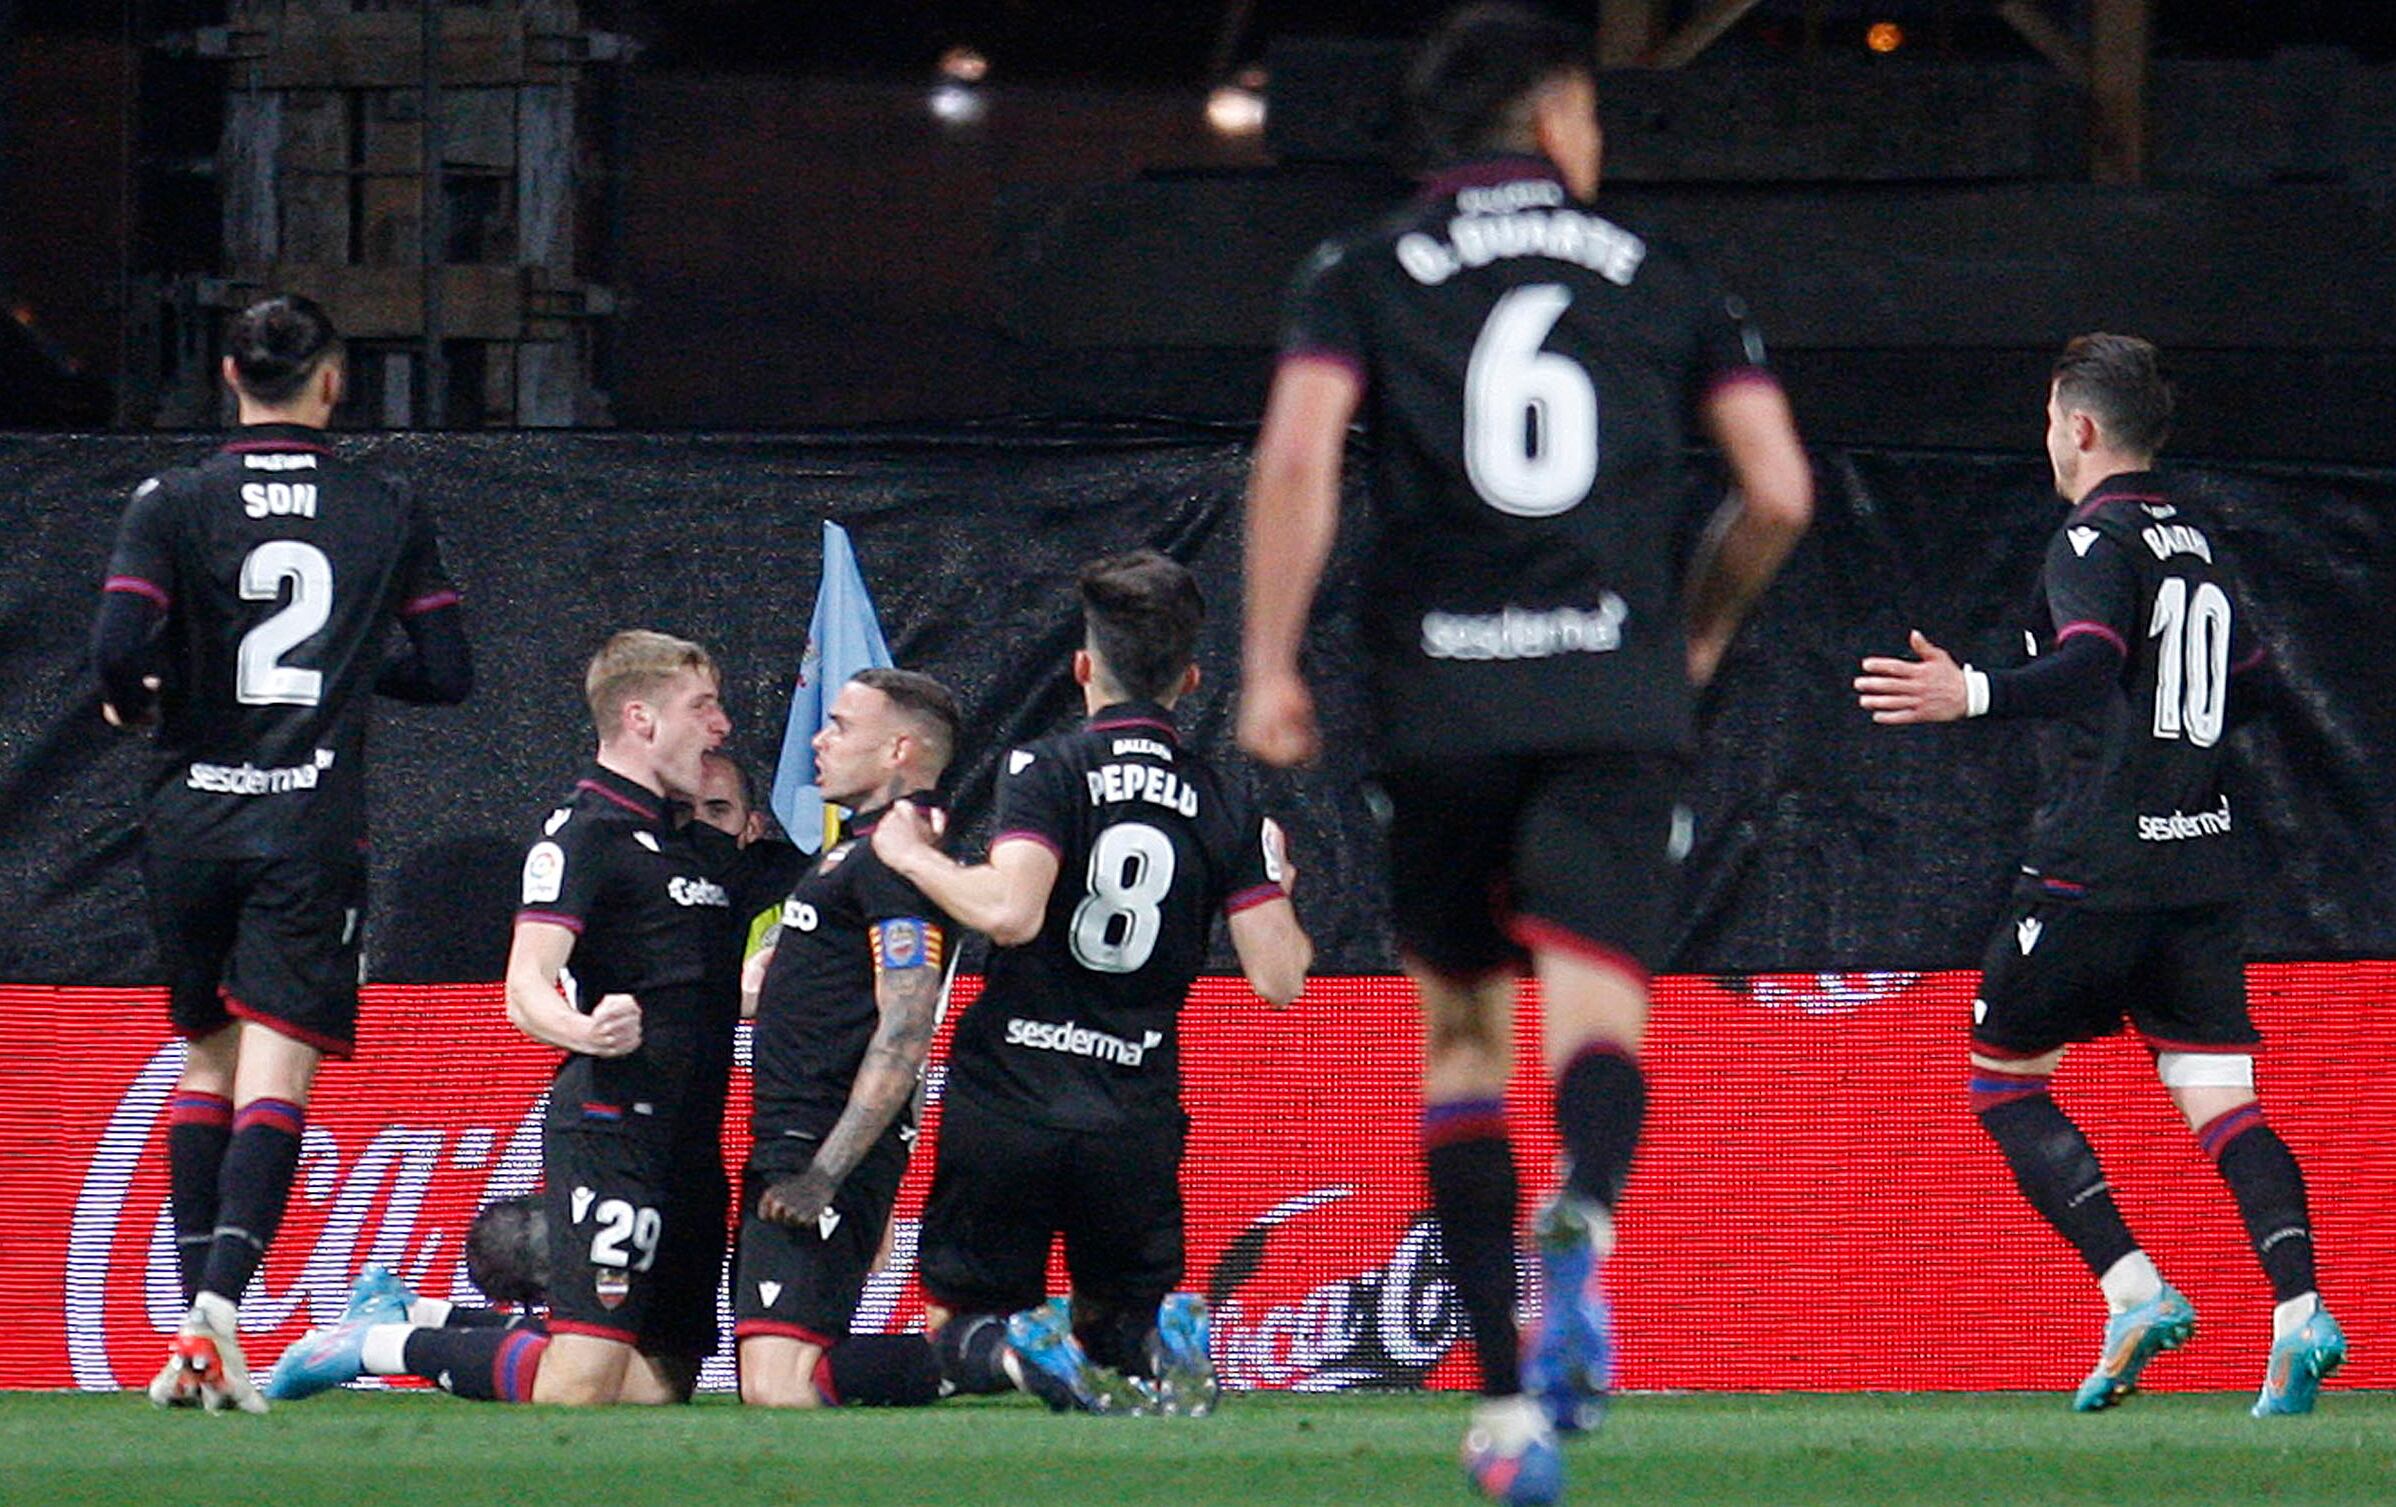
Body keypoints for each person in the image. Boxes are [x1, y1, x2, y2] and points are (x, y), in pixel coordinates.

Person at [1237, 6, 1812, 1499]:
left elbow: (1298, 457)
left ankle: (1499, 1405)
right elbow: (1778, 490)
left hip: (1442, 699)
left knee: (1463, 1043)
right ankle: (1592, 1218)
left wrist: (1267, 659)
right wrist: (1687, 638)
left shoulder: (1355, 272)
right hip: (1612, 697)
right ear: (1557, 114)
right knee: (1599, 1003)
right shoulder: (1667, 273)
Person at [1853, 333, 2345, 1417]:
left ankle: (2134, 1290)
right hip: (2199, 864)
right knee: (2220, 1099)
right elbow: (2253, 681)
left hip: (2094, 865)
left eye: (2045, 421)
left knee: (2000, 1077)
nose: (2045, 439)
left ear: (2077, 427)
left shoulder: (2091, 536)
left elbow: (2087, 662)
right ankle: (2297, 1311)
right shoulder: (2196, 539)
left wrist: (1971, 693)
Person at [93, 294, 474, 1414]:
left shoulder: (172, 500)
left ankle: (190, 1330)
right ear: (332, 382)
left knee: (206, 1063)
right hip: (305, 825)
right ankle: (216, 1316)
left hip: (190, 820)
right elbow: (448, 671)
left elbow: (118, 645)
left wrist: (138, 700)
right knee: (275, 1072)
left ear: (227, 375)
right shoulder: (383, 504)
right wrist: (351, 670)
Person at [873, 550, 1312, 1416]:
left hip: (1013, 1093)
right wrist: (1280, 892)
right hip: (1133, 1108)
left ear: (1082, 668)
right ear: (1188, 678)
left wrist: (915, 859)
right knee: (1120, 1321)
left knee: (962, 1322)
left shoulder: (1048, 767)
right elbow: (1281, 977)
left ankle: (1020, 1343)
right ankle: (1161, 1337)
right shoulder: (1218, 796)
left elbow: (1010, 912)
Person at [313, 630, 742, 1407]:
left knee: (660, 1385)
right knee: (577, 1388)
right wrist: (585, 1031)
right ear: (641, 717)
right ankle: (377, 1343)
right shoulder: (583, 833)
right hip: (616, 1129)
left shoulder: (688, 846)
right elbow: (526, 986)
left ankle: (430, 1313)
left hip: (692, 1139)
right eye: (703, 706)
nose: (721, 726)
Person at [735, 669, 962, 1409]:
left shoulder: (900, 861)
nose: (818, 740)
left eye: (839, 725)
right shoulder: (857, 852)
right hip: (796, 1131)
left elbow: (906, 1024)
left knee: (781, 1386)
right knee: (782, 1376)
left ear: (899, 748)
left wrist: (829, 1170)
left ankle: (994, 1349)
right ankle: (995, 1347)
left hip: (816, 1138)